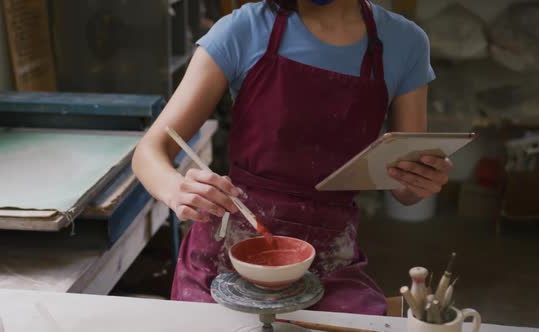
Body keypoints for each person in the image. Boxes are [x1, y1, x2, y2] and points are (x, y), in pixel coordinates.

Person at [132, 0, 453, 315]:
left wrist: (420, 180)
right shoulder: (244, 29)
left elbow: (405, 190)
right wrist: (176, 189)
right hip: (228, 250)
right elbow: (150, 152)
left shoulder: (404, 42)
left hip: (330, 258)